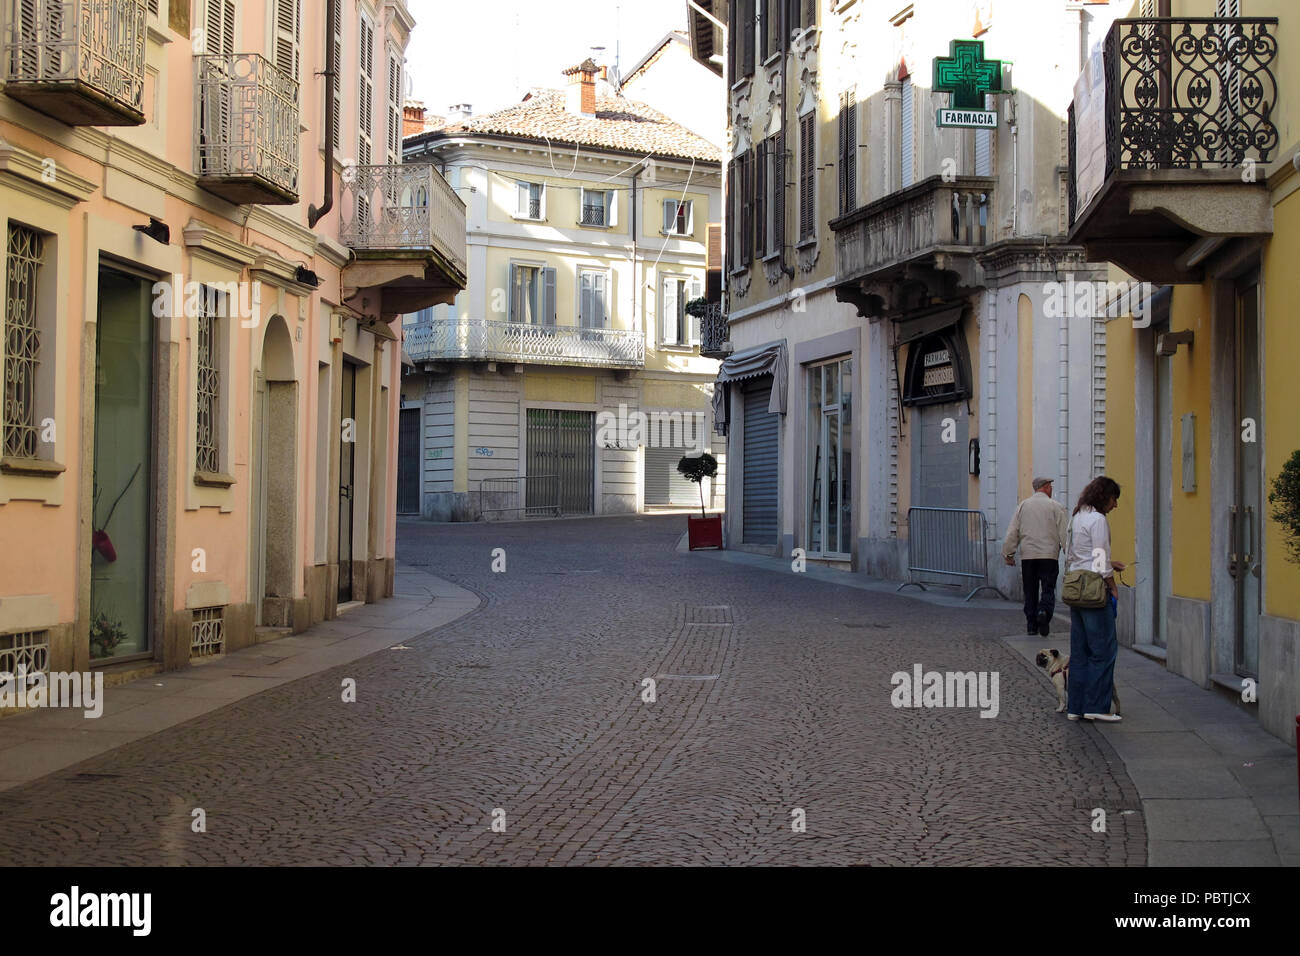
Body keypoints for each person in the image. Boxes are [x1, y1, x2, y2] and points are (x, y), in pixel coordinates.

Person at [1065, 476, 1127, 723]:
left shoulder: (1077, 515)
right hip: (1093, 590)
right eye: (1114, 499)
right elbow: (1099, 559)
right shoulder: (1098, 520)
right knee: (1103, 650)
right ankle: (1097, 706)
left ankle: (1075, 707)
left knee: (1079, 651)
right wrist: (1112, 585)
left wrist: (1109, 564)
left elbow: (1076, 555)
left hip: (1075, 588)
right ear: (1105, 497)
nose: (1115, 505)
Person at [1003, 476, 1070, 637]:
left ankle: (1031, 624)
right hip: (1049, 555)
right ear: (1046, 487)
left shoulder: (1023, 506)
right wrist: (1070, 554)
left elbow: (1013, 531)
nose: (1051, 489)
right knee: (1048, 588)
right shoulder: (1056, 506)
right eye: (1050, 486)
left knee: (1030, 590)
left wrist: (1008, 553)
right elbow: (1064, 533)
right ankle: (1044, 612)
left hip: (1028, 556)